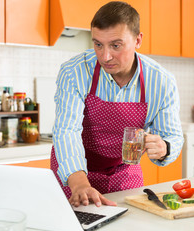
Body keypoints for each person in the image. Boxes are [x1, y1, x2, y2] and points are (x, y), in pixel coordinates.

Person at [51, 1, 184, 208]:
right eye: (98, 44)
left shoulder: (161, 81)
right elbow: (67, 130)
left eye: (116, 45)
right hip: (74, 171)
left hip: (124, 172)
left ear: (138, 40)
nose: (105, 56)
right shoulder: (74, 72)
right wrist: (78, 185)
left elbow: (173, 136)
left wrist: (164, 147)